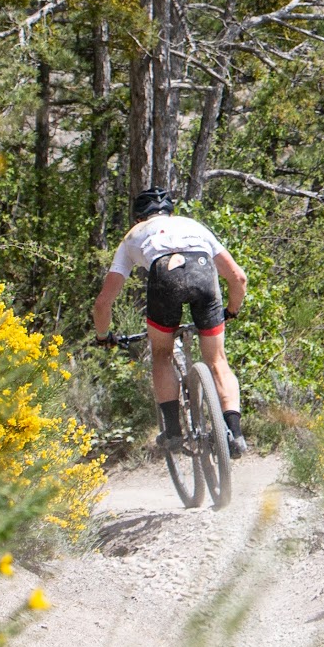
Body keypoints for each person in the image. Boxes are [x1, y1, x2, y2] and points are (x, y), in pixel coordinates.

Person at [93, 187, 248, 458]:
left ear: (138, 217)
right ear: (170, 212)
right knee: (217, 360)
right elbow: (238, 278)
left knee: (162, 354)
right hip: (202, 271)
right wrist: (232, 311)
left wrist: (103, 335)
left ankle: (174, 431)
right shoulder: (193, 226)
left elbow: (103, 303)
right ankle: (235, 433)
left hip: (164, 278)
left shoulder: (132, 236)